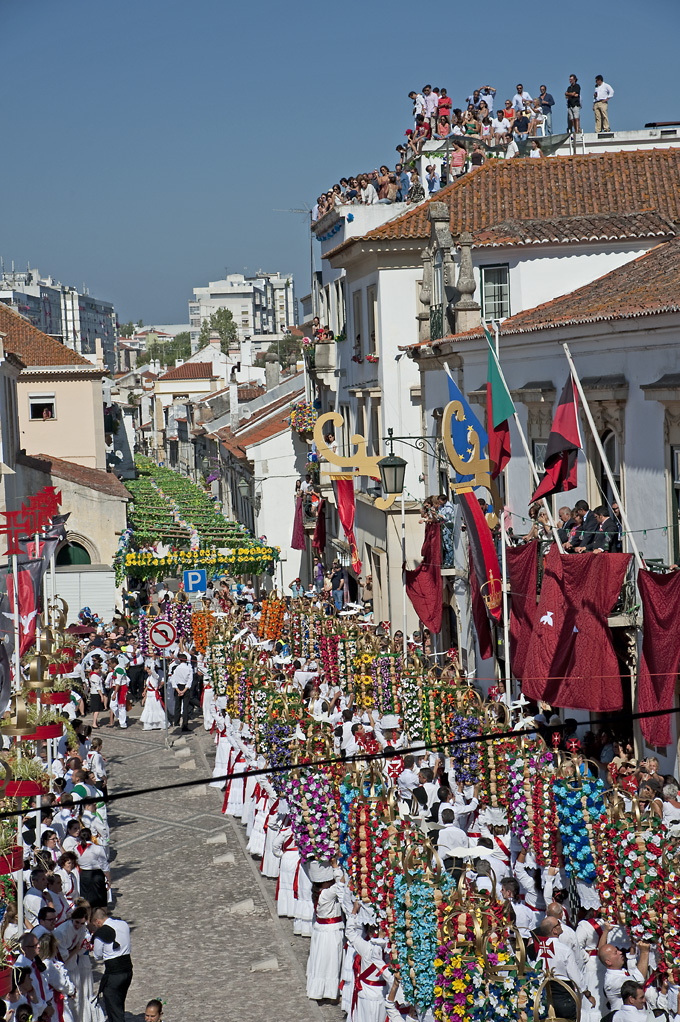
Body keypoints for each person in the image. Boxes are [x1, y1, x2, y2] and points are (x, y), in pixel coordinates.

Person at [91, 908, 133, 1022]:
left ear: (98, 921)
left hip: (114, 974)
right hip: (128, 970)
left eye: (95, 925)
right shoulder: (123, 924)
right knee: (119, 1003)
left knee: (114, 1010)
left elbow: (97, 956)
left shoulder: (100, 934)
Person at [170, 653, 193, 731]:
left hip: (178, 687)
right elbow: (190, 681)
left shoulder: (176, 669)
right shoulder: (189, 669)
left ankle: (176, 723)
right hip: (185, 687)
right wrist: (184, 690)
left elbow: (173, 680)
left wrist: (178, 690)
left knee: (177, 706)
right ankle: (185, 725)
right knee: (185, 707)